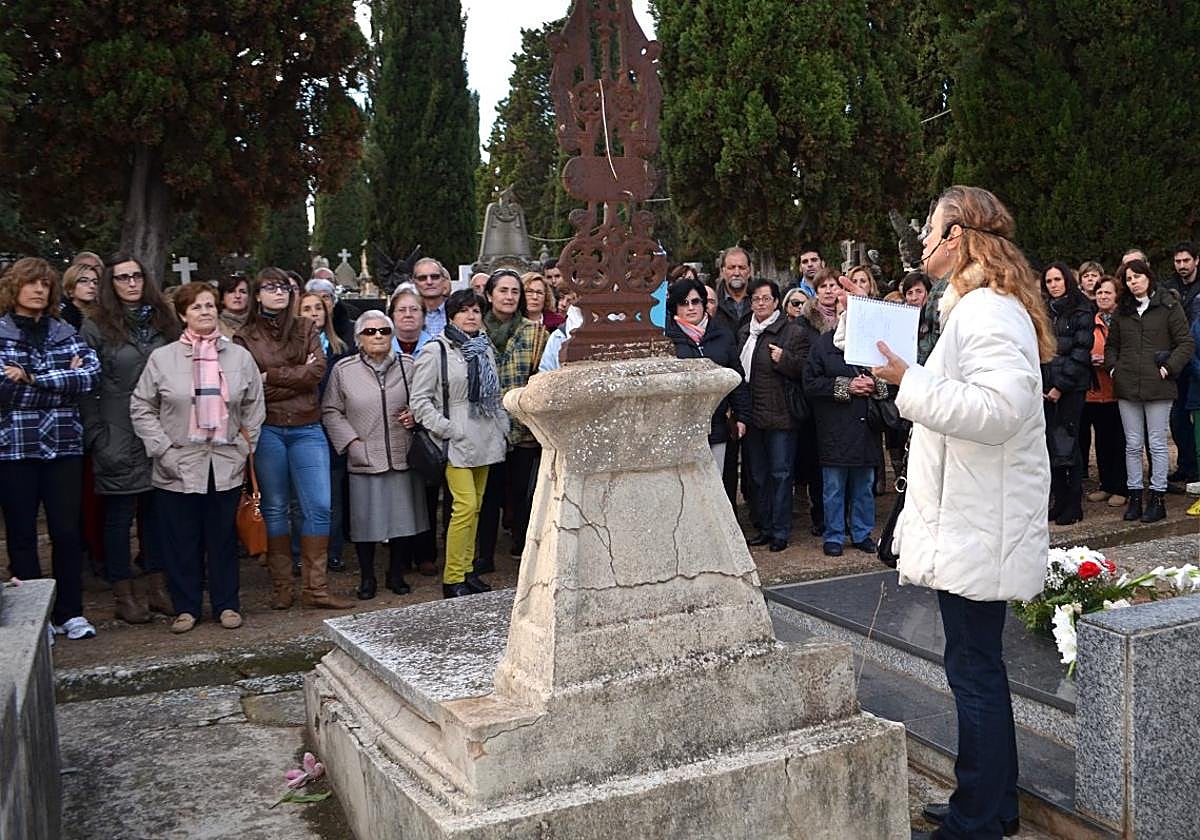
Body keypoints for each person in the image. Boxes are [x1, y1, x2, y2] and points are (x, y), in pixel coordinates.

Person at [874, 186, 1054, 840]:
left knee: (974, 672)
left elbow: (996, 410)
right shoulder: (977, 307)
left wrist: (910, 382)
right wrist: (906, 380)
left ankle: (979, 820)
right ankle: (989, 803)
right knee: (975, 667)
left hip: (980, 522)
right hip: (976, 517)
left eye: (929, 229)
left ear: (958, 238)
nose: (921, 241)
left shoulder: (986, 312)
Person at [129, 283, 265, 633]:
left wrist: (242, 448)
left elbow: (254, 406)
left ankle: (227, 605)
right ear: (182, 315)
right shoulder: (163, 358)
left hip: (224, 461)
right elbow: (142, 406)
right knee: (180, 540)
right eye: (196, 307)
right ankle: (186, 607)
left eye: (209, 305)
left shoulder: (238, 356)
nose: (204, 312)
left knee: (221, 539)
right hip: (178, 463)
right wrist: (162, 449)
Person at [234, 267, 354, 609]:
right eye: (270, 287)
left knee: (318, 505)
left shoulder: (305, 327)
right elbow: (250, 386)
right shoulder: (245, 336)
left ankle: (316, 588)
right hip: (268, 428)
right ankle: (282, 587)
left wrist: (270, 374)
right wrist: (292, 377)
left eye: (284, 287)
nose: (279, 293)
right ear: (257, 294)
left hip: (308, 426)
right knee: (275, 507)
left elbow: (316, 373)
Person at [0, 258, 101, 640]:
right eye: (31, 283)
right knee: (22, 532)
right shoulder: (1, 331)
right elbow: (3, 389)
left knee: (67, 531)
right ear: (15, 287)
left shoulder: (64, 330)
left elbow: (89, 376)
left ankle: (69, 612)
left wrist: (31, 376)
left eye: (45, 284)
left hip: (63, 446)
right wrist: (58, 381)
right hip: (14, 448)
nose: (39, 290)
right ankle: (33, 617)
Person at [80, 254, 179, 624]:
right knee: (119, 516)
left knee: (156, 515)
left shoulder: (164, 321)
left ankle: (157, 589)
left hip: (161, 427)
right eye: (122, 278)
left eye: (137, 276)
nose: (131, 283)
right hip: (116, 429)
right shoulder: (96, 327)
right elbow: (87, 388)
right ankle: (124, 593)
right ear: (111, 284)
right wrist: (97, 434)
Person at [322, 310, 429, 600]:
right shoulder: (344, 370)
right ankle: (367, 577)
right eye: (370, 332)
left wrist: (414, 415)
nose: (378, 336)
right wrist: (352, 442)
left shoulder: (410, 365)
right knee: (365, 521)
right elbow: (331, 410)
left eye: (384, 331)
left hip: (402, 451)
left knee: (403, 519)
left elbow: (425, 400)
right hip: (364, 456)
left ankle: (395, 574)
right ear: (358, 339)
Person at [410, 289, 508, 598]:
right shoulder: (435, 351)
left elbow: (495, 391)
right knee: (464, 506)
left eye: (476, 311)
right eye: (464, 311)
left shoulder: (485, 348)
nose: (470, 316)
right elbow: (419, 400)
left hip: (486, 436)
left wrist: (503, 426)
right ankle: (452, 578)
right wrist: (446, 428)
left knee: (475, 507)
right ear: (451, 315)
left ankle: (467, 572)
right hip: (455, 440)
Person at [1105, 259, 1195, 523]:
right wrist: (1114, 369)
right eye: (1129, 279)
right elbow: (1112, 346)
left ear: (1148, 276)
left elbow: (1185, 343)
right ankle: (1135, 496)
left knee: (1156, 443)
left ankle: (1157, 497)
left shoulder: (1168, 305)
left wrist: (1168, 368)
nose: (1133, 282)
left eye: (1137, 276)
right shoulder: (1123, 311)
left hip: (1159, 385)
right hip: (1127, 385)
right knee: (1132, 444)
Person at [804, 284, 888, 557]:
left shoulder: (876, 346)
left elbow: (894, 381)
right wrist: (846, 386)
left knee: (864, 486)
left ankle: (862, 533)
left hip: (865, 427)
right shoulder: (824, 345)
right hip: (835, 428)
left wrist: (875, 385)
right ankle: (835, 535)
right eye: (846, 310)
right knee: (833, 488)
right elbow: (811, 383)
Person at [476, 269, 546, 571]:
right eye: (502, 290)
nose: (508, 297)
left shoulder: (534, 333)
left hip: (523, 428)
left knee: (521, 495)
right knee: (489, 496)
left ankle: (523, 552)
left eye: (514, 291)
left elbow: (541, 378)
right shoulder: (476, 333)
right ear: (490, 295)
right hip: (487, 428)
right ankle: (484, 556)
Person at [736, 278, 806, 552]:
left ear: (777, 302)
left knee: (780, 474)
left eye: (766, 298)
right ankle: (764, 527)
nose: (760, 303)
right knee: (757, 476)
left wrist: (785, 359)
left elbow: (804, 370)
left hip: (780, 417)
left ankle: (780, 530)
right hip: (752, 415)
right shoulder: (745, 332)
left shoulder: (792, 333)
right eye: (756, 299)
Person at [665, 277, 750, 471]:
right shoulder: (668, 340)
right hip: (681, 426)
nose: (691, 308)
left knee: (715, 481)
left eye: (696, 301)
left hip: (717, 423)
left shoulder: (723, 335)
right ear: (675, 308)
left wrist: (742, 416)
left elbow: (736, 376)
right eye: (684, 303)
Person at [1041, 261, 1095, 526]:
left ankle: (1073, 504)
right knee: (1051, 446)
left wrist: (1060, 386)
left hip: (1070, 387)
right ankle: (1059, 500)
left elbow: (1081, 352)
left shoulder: (1081, 308)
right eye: (1049, 281)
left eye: (1057, 280)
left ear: (1067, 281)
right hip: (1046, 385)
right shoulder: (1043, 310)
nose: (1053, 285)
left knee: (1068, 444)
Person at [299, 291, 350, 573]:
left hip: (331, 430)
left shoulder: (339, 348)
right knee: (301, 497)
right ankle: (300, 553)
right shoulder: (292, 349)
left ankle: (333, 552)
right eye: (306, 308)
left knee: (331, 496)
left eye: (318, 308)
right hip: (300, 424)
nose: (313, 313)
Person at [1081, 276, 1127, 508]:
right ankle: (1106, 485)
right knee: (1100, 442)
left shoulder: (1123, 322)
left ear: (1117, 295)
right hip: (1094, 391)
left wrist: (1110, 361)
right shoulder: (1091, 321)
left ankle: (1121, 487)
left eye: (1107, 292)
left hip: (1118, 391)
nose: (1102, 296)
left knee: (1118, 441)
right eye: (1099, 293)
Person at [1164, 243, 1199, 483]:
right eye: (1178, 262)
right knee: (1177, 418)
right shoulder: (1169, 287)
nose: (1182, 266)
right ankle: (1186, 465)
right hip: (1178, 361)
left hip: (1197, 358)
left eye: (1186, 261)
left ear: (1196, 260)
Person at [306, 275, 355, 350]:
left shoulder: (352, 330)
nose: (321, 302)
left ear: (334, 302)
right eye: (316, 297)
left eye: (325, 297)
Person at [412, 257, 449, 337]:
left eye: (435, 277)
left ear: (443, 280)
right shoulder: (407, 313)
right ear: (414, 282)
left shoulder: (457, 311)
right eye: (422, 278)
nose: (429, 282)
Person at [60, 263, 100, 329]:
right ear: (70, 287)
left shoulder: (102, 314)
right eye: (84, 281)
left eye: (95, 282)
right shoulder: (61, 316)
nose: (92, 286)